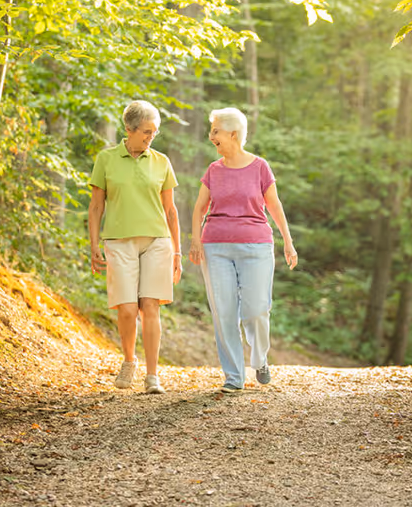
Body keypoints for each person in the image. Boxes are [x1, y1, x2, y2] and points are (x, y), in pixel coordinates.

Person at [189, 107, 297, 393]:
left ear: (232, 134)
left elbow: (274, 205)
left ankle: (259, 358)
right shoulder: (213, 170)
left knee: (256, 310)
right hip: (216, 247)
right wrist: (195, 241)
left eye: (215, 131)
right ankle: (234, 376)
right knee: (223, 312)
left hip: (256, 246)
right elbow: (200, 207)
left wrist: (288, 240)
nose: (210, 136)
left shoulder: (260, 166)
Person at [88, 100, 181, 393]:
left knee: (150, 306)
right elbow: (96, 206)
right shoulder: (106, 159)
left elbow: (171, 211)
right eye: (145, 131)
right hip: (118, 241)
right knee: (128, 309)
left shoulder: (161, 161)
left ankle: (153, 375)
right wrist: (94, 245)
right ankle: (129, 360)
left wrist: (177, 252)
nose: (150, 136)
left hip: (157, 241)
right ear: (128, 129)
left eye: (154, 132)